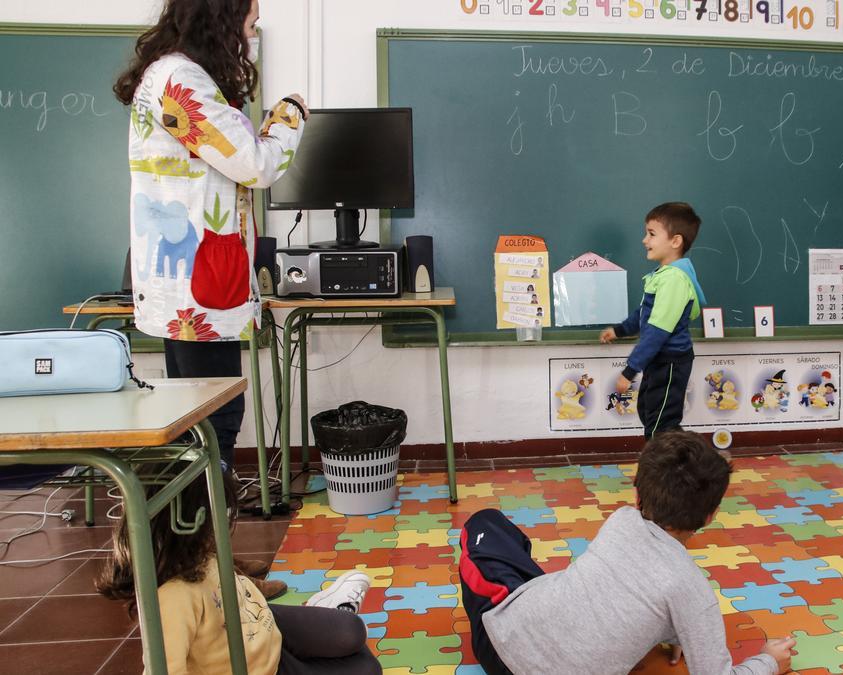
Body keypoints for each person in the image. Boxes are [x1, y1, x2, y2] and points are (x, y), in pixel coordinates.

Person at [114, 0, 306, 473]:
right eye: (251, 23)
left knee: (199, 418)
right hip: (198, 287)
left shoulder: (176, 75)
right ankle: (204, 539)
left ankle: (194, 538)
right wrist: (290, 115)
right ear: (222, 20)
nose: (253, 34)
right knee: (216, 419)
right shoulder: (179, 81)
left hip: (197, 280)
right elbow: (256, 165)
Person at [458, 431, 795, 675]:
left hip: (496, 641)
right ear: (711, 516)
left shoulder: (621, 518)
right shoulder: (692, 590)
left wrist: (675, 625)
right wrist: (768, 661)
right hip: (513, 641)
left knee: (487, 522)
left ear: (637, 493)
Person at [97, 464, 380, 674]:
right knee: (367, 668)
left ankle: (320, 609)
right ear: (190, 524)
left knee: (351, 631)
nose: (229, 521)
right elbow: (163, 669)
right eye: (225, 512)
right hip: (261, 668)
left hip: (264, 626)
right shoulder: (170, 598)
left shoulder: (201, 554)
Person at [600, 203, 706, 438]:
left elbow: (657, 330)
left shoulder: (674, 280)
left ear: (675, 241)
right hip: (659, 361)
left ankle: (668, 470)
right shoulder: (663, 276)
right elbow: (644, 315)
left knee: (660, 424)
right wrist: (618, 331)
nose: (644, 240)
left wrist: (629, 371)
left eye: (651, 234)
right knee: (651, 412)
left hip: (670, 362)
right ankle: (677, 461)